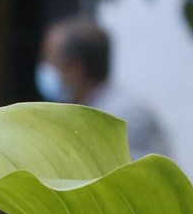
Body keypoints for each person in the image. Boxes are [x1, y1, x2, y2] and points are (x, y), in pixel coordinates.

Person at [36, 16, 172, 159]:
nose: (46, 66)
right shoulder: (79, 113)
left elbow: (137, 178)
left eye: (49, 58)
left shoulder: (126, 117)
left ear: (75, 68)